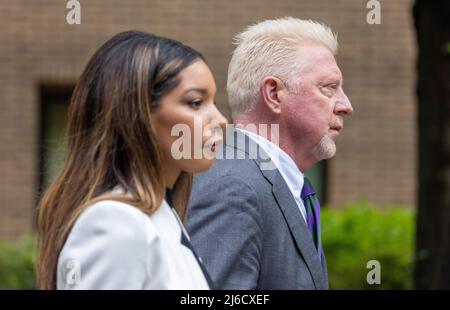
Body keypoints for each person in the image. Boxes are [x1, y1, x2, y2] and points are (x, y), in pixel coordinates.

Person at [36, 30, 227, 290]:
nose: (220, 120)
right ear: (138, 114)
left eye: (213, 101)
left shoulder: (165, 217)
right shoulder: (115, 222)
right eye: (195, 102)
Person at [187, 17, 354, 289]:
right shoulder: (232, 187)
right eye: (329, 88)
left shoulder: (270, 182)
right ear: (274, 94)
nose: (346, 105)